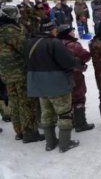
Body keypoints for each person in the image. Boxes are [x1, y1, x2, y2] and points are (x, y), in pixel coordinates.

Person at [25, 17, 79, 152]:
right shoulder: (54, 43)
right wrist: (76, 61)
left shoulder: (29, 42)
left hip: (38, 84)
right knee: (64, 113)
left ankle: (50, 143)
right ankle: (65, 143)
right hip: (57, 84)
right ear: (52, 29)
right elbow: (67, 62)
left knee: (46, 113)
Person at [0, 6, 45, 143]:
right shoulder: (9, 30)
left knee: (14, 101)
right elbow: (23, 47)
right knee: (26, 102)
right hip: (18, 71)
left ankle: (19, 130)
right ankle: (29, 132)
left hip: (6, 72)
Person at [56, 25, 94, 133]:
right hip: (75, 75)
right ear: (67, 33)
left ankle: (70, 121)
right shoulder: (73, 45)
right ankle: (80, 123)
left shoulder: (55, 43)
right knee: (78, 97)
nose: (74, 33)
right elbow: (86, 56)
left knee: (66, 98)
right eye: (72, 31)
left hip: (60, 76)